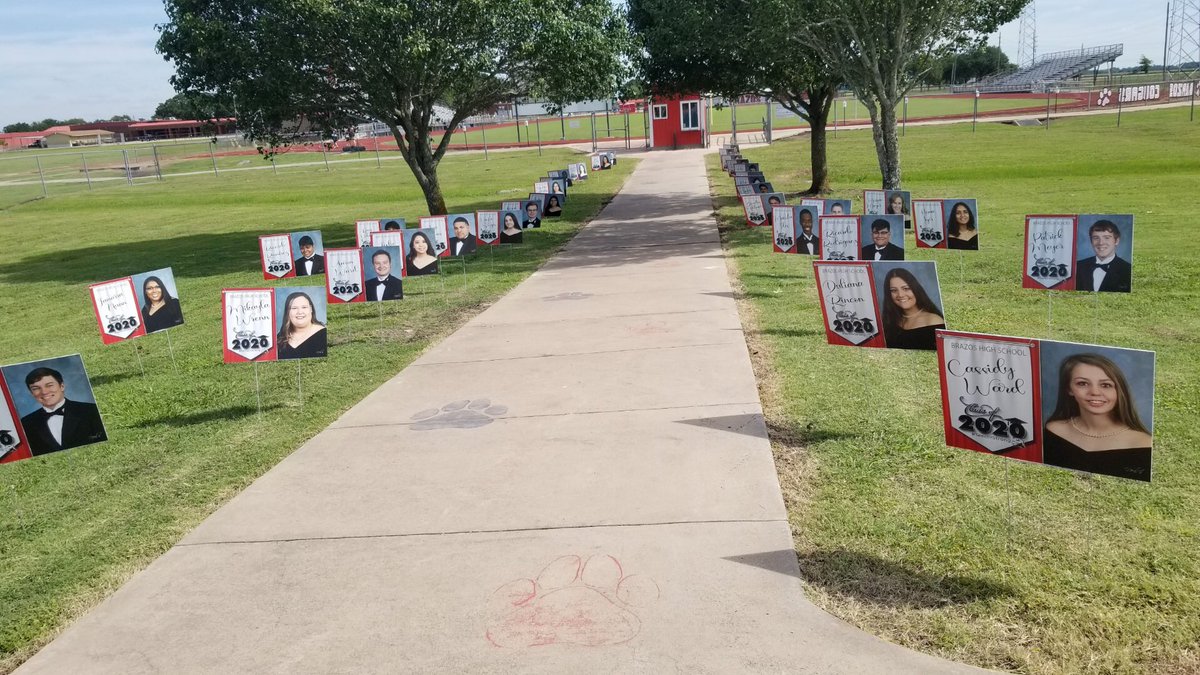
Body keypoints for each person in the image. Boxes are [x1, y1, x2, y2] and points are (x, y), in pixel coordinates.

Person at [1043, 353, 1152, 481]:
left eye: (1105, 385)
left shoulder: (1143, 443)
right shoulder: (1053, 430)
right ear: (1069, 389)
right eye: (1082, 383)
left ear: (1119, 391)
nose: (1095, 392)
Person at [19, 367, 106, 456]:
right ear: (31, 393)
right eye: (36, 388)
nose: (44, 392)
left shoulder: (91, 410)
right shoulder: (25, 423)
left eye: (49, 385)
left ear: (62, 386)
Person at [880, 268, 945, 350]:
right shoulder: (888, 321)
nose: (900, 294)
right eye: (893, 290)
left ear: (916, 289)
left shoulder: (934, 321)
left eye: (906, 288)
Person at [1075, 219, 1131, 292]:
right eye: (1096, 238)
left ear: (1116, 241)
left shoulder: (1128, 270)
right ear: (1091, 241)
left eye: (1107, 238)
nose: (1101, 243)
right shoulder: (1077, 266)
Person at [276, 291, 327, 359]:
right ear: (288, 312)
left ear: (311, 309)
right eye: (294, 308)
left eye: (304, 307)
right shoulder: (280, 338)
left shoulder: (324, 334)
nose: (300, 312)